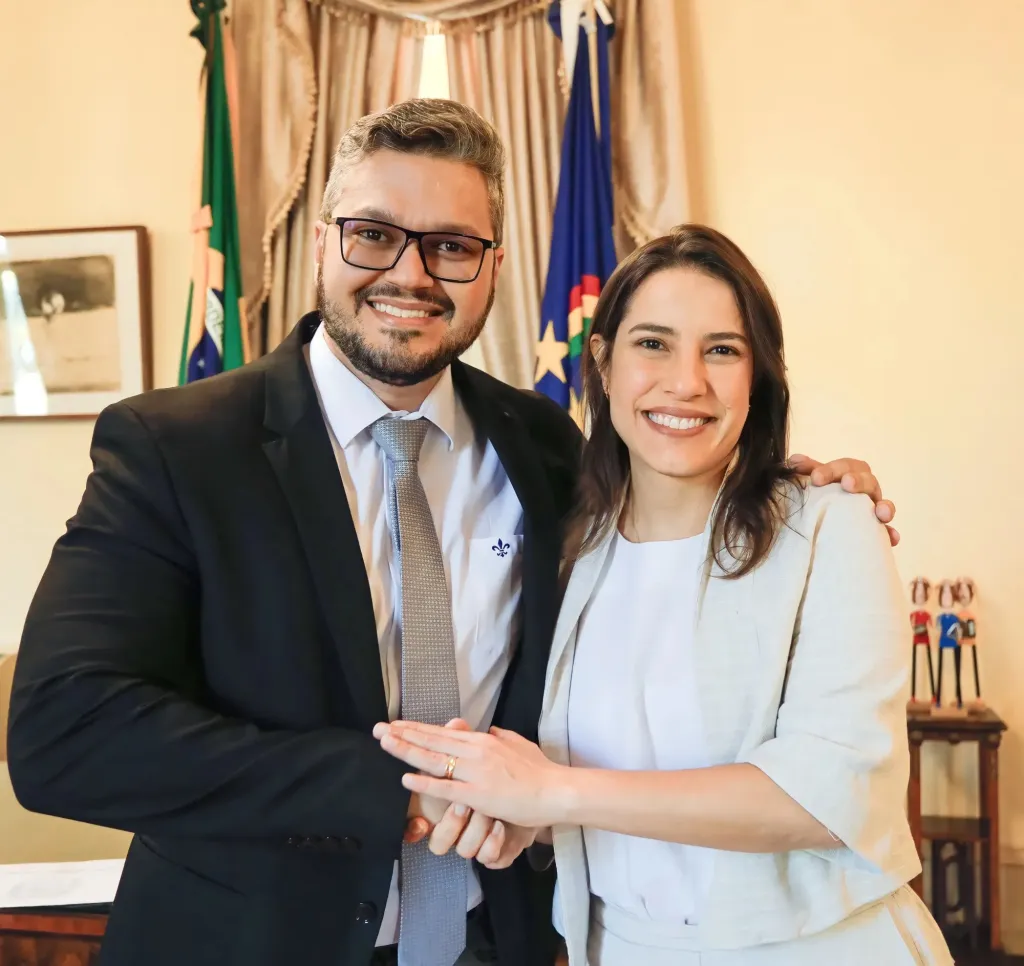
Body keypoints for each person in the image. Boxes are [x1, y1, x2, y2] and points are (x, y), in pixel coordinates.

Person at [7, 99, 896, 966]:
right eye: (374, 234)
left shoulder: (548, 451)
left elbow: (672, 492)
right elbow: (65, 736)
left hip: (500, 937)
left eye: (451, 247)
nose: (410, 274)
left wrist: (800, 485)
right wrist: (400, 794)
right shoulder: (178, 447)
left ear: (493, 267)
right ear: (323, 240)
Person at [374, 225, 951, 964]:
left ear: (759, 378)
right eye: (653, 343)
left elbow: (828, 795)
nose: (686, 382)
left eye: (722, 349)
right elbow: (597, 769)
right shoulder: (569, 549)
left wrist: (557, 795)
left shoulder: (832, 527)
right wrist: (528, 817)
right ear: (605, 364)